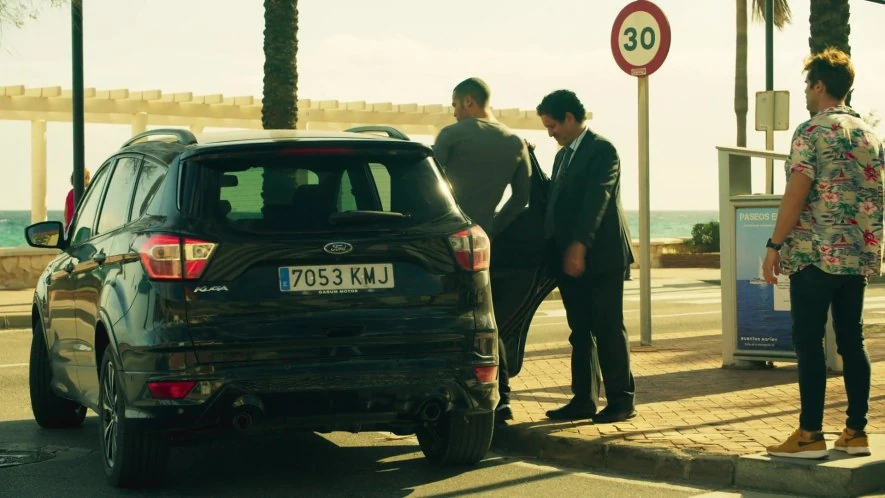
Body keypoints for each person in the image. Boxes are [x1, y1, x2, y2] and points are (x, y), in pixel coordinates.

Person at [763, 48, 884, 459]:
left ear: (819, 85)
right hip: (857, 256)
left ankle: (810, 434)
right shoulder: (870, 136)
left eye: (807, 85)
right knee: (852, 340)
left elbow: (797, 191)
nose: (805, 92)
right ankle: (855, 432)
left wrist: (774, 245)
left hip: (815, 254)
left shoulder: (811, 132)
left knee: (809, 342)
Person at [433, 77, 532, 424]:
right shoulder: (515, 142)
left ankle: (446, 391)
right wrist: (490, 228)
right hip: (483, 243)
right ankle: (500, 398)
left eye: (455, 104)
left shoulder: (451, 136)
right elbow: (522, 198)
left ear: (469, 102)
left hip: (444, 241)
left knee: (445, 316)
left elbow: (429, 184)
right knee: (485, 317)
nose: (454, 112)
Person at [536, 89, 636, 423]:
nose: (551, 134)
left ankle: (621, 401)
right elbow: (556, 199)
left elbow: (598, 199)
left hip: (602, 256)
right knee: (580, 332)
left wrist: (579, 245)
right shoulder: (562, 156)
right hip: (569, 259)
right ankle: (583, 400)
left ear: (569, 118)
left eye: (552, 126)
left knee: (608, 328)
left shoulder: (602, 150)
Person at [64, 168, 91, 233]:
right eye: (86, 178)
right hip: (81, 231)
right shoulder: (87, 194)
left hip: (70, 231)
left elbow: (66, 215)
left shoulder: (70, 193)